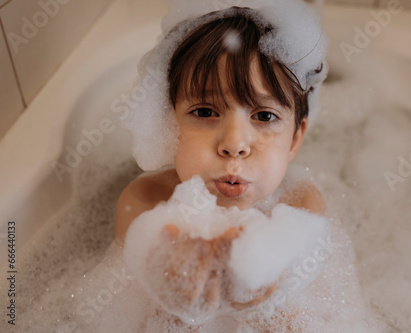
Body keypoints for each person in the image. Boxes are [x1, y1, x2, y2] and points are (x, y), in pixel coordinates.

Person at [114, 2, 329, 329]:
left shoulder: (300, 205)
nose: (234, 144)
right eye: (204, 112)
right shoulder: (144, 204)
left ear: (295, 140)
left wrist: (263, 303)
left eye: (264, 116)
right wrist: (177, 304)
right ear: (167, 126)